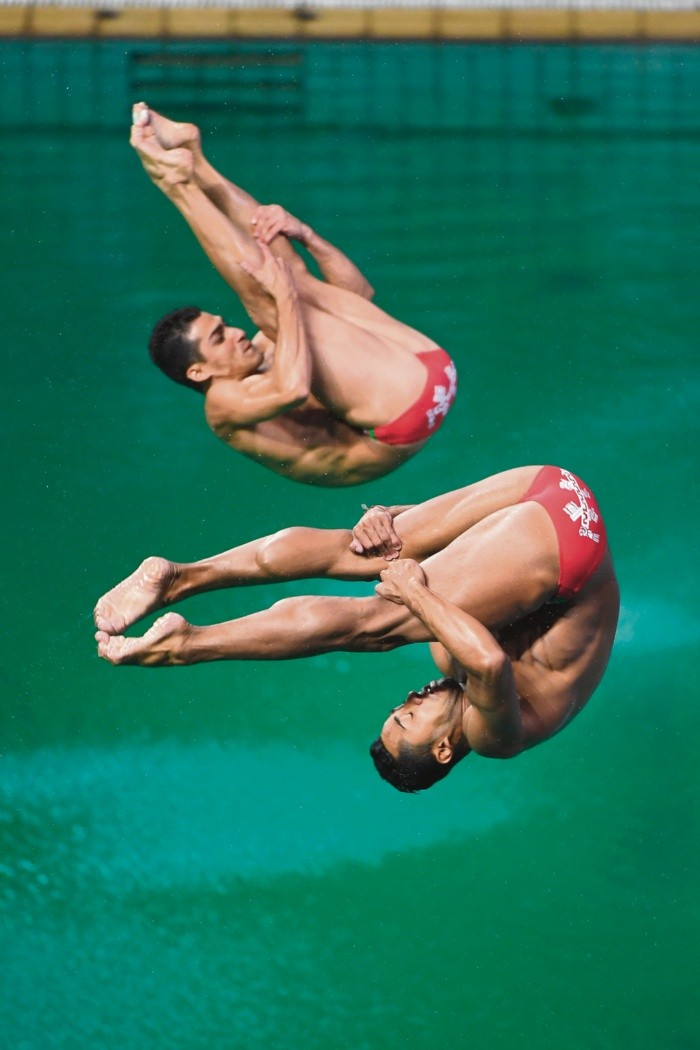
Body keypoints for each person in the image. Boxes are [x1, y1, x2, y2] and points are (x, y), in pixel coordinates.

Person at [94, 465, 620, 792]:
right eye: (408, 718)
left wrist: (391, 515)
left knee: (362, 549)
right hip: (565, 523)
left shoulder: (448, 654)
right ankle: (189, 644)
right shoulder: (493, 738)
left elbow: (480, 565)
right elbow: (489, 660)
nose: (409, 700)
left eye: (399, 708)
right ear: (443, 749)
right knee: (379, 625)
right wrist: (414, 590)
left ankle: (183, 577)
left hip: (552, 498)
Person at [130, 103, 457, 488]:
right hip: (402, 414)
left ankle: (194, 160)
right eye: (218, 338)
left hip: (423, 376)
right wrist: (282, 297)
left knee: (291, 278)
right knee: (273, 301)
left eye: (224, 325)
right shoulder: (223, 404)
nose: (236, 332)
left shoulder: (264, 349)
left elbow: (359, 293)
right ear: (199, 371)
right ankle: (179, 187)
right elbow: (293, 388)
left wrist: (307, 236)